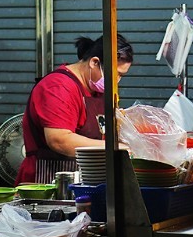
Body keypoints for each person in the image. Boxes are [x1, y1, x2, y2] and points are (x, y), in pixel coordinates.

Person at [16, 34, 134, 185]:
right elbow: (59, 140)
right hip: (46, 180)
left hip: (84, 178)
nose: (117, 81)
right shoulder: (58, 87)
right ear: (94, 62)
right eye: (116, 74)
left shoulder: (98, 91)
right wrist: (114, 148)